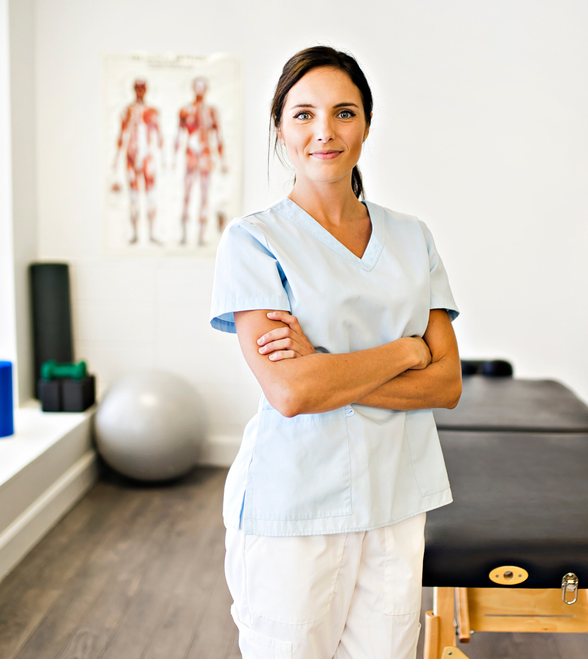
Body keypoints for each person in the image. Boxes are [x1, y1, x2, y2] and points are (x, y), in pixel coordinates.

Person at [210, 46, 461, 659]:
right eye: (303, 115)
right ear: (280, 129)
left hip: (397, 501)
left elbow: (447, 383)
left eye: (343, 113)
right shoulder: (253, 241)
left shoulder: (411, 236)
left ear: (366, 125)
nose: (324, 131)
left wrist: (326, 364)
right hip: (294, 505)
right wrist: (406, 350)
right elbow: (292, 393)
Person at [174, 76, 227, 246]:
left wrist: (223, 160)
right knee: (187, 194)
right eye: (197, 87)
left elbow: (219, 136)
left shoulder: (211, 111)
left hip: (205, 155)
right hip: (191, 155)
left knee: (204, 195)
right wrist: (174, 158)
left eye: (202, 87)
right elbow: (178, 135)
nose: (199, 90)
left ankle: (201, 236)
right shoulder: (185, 110)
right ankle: (184, 235)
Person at [112, 78, 162, 245]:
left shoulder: (152, 112)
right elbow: (121, 135)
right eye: (137, 88)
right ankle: (135, 233)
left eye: (142, 88)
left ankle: (152, 233)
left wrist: (163, 160)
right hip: (131, 157)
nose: (140, 91)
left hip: (147, 157)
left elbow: (159, 136)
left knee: (150, 196)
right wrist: (115, 159)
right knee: (133, 196)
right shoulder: (127, 111)